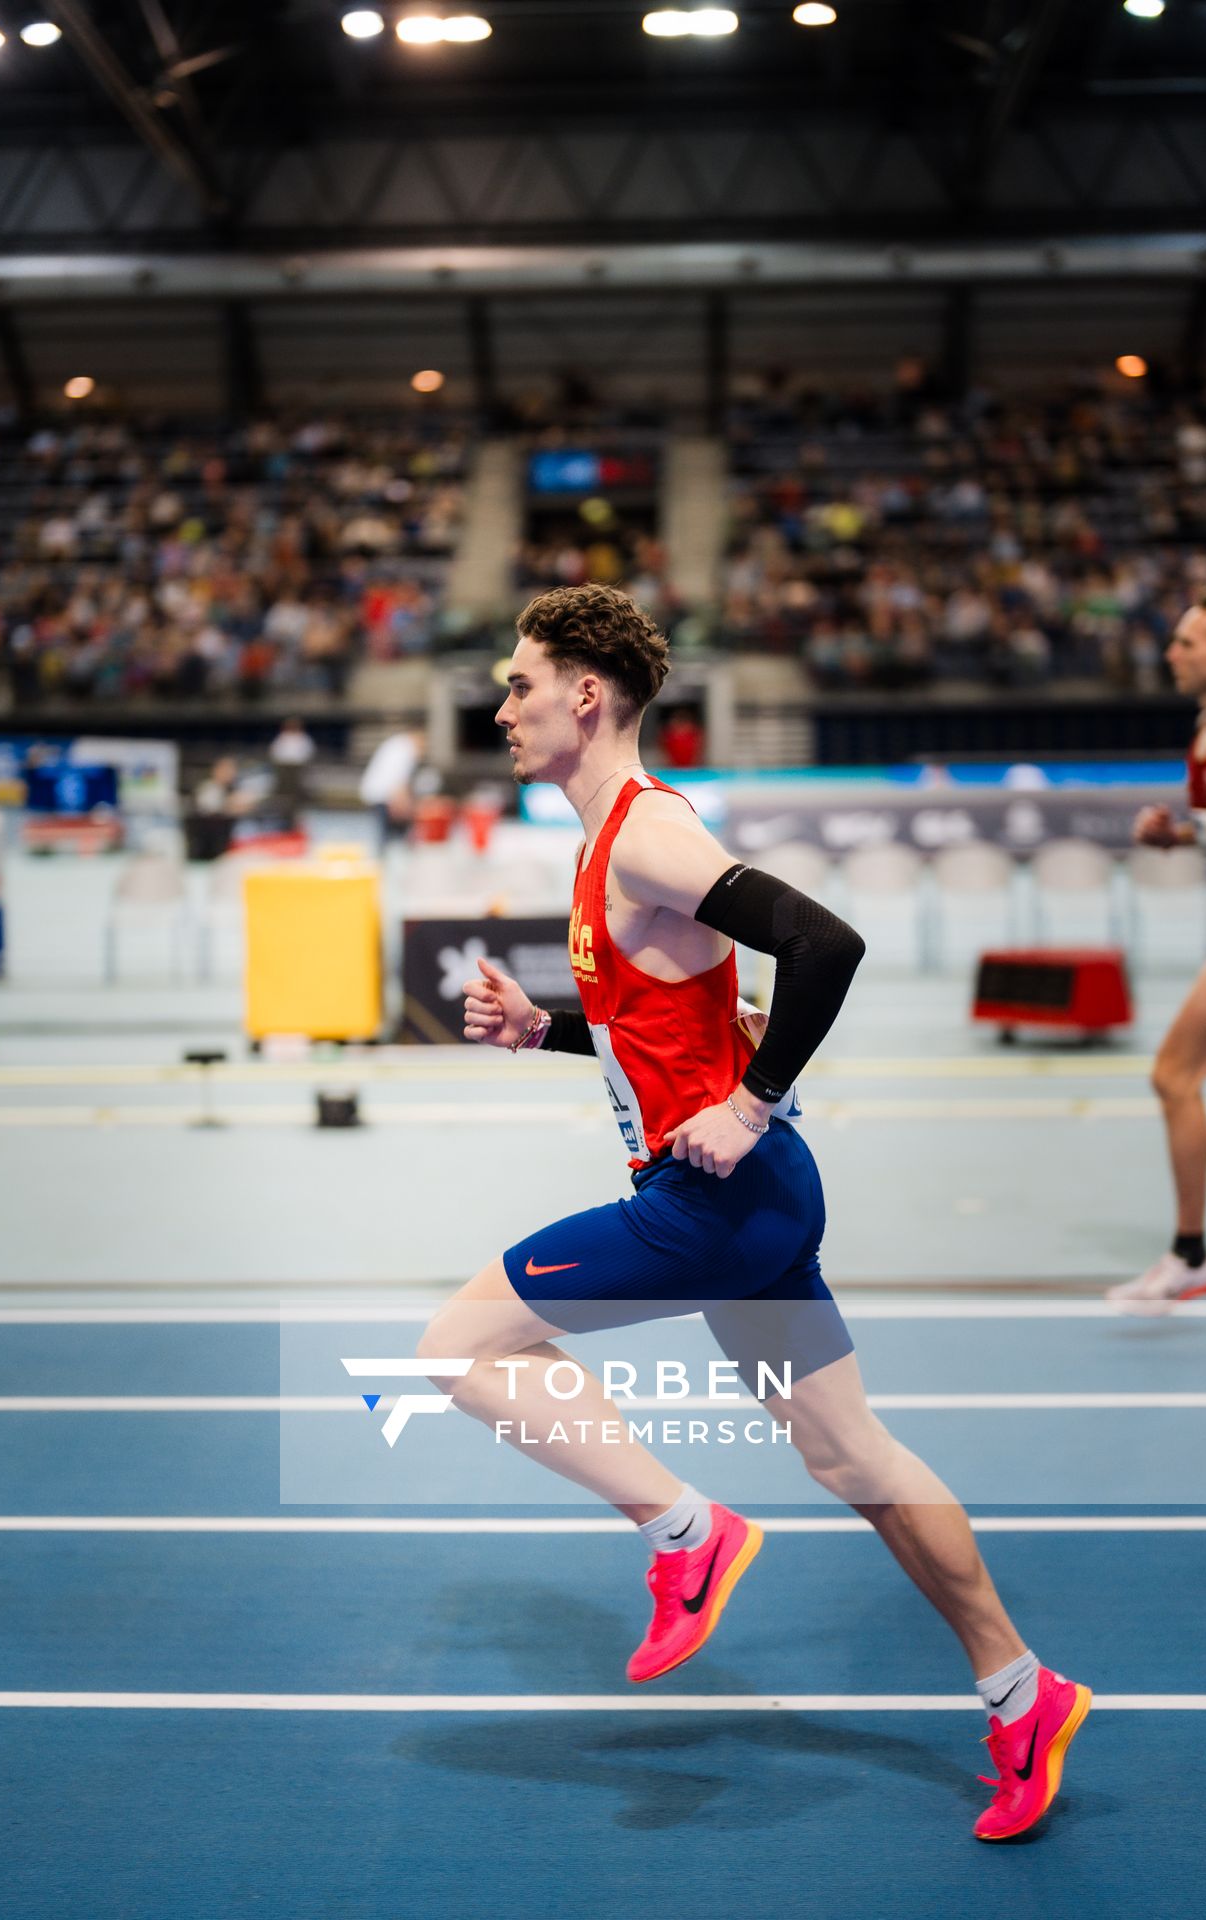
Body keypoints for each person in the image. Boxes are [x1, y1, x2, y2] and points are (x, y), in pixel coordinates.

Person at [421, 582, 1089, 1842]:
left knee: (457, 1348)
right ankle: (1020, 1688)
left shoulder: (643, 834)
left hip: (716, 1197)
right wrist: (545, 1030)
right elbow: (659, 1029)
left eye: (517, 684)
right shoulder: (602, 838)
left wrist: (757, 1099)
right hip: (752, 1196)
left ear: (584, 694)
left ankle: (690, 1531)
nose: (499, 706)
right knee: (850, 1458)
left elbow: (822, 943)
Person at [1109, 591, 1206, 1305]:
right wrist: (1177, 836)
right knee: (1177, 1077)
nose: (1171, 654)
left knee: (1174, 1075)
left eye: (1188, 643)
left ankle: (1190, 1255)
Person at [359, 726, 423, 850]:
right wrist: (406, 807)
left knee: (384, 835)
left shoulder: (396, 744)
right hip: (384, 795)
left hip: (377, 793)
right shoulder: (406, 750)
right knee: (388, 836)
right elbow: (399, 783)